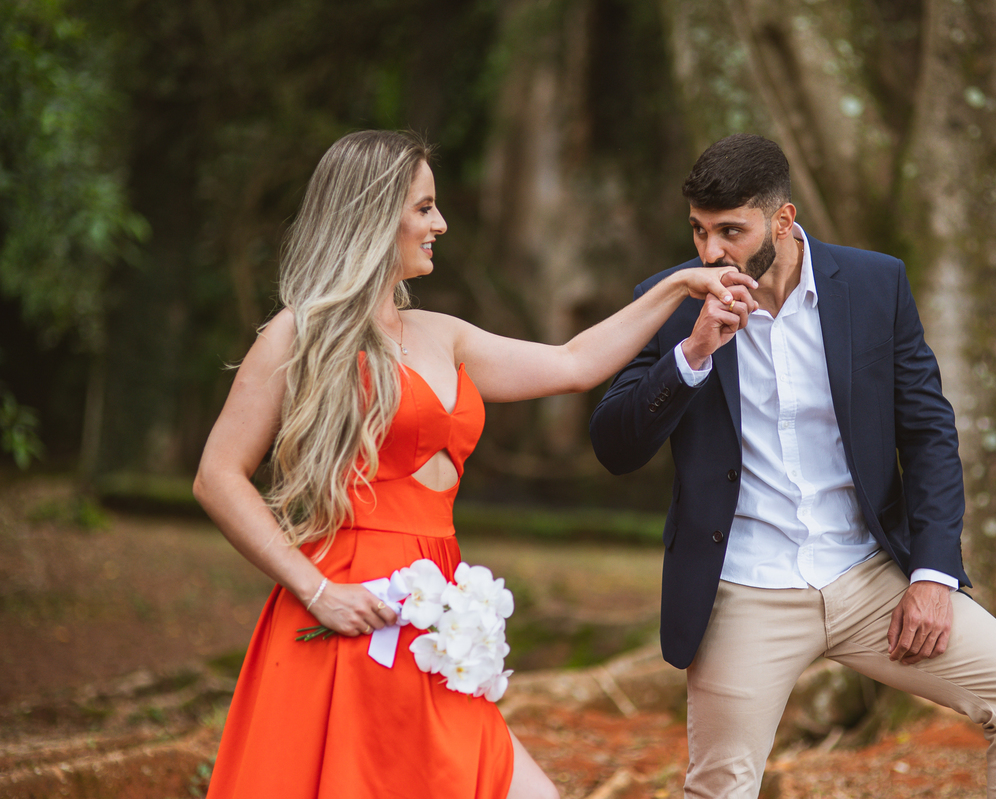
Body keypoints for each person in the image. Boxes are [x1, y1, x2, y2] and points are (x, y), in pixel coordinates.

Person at [192, 129, 756, 799]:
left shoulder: (443, 334)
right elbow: (217, 475)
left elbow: (573, 362)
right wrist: (317, 591)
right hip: (351, 608)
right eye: (425, 208)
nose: (441, 224)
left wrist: (679, 289)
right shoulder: (300, 332)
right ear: (375, 214)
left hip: (436, 617)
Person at [589, 133, 996, 798]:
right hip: (744, 586)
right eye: (699, 231)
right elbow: (614, 445)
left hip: (869, 576)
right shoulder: (672, 303)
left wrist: (934, 573)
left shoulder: (876, 285)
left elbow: (928, 431)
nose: (710, 253)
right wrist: (694, 353)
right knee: (718, 786)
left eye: (731, 230)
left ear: (783, 221)